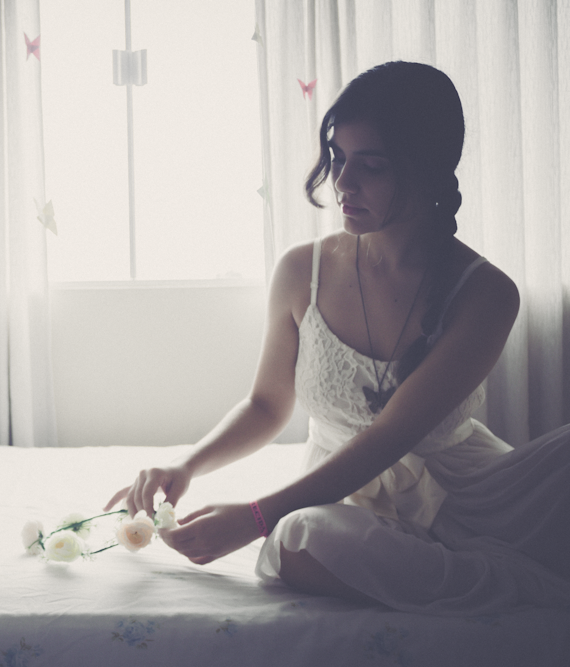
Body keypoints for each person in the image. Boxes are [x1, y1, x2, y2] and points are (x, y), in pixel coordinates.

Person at [105, 61, 570, 614]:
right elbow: (265, 403)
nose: (342, 184)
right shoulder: (303, 270)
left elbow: (388, 438)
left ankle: (495, 570)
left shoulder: (487, 294)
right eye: (338, 159)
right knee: (302, 540)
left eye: (370, 165)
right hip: (339, 504)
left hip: (472, 496)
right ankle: (523, 589)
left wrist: (254, 516)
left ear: (427, 170)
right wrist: (187, 467)